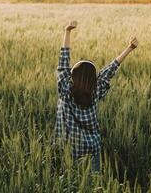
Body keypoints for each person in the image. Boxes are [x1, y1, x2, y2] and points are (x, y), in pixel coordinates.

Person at [54, 20, 138, 174]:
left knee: (70, 181)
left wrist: (67, 31)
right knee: (95, 182)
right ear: (94, 79)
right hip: (92, 147)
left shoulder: (65, 90)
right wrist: (129, 48)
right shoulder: (96, 91)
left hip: (69, 148)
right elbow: (110, 70)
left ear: (72, 77)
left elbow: (63, 63)